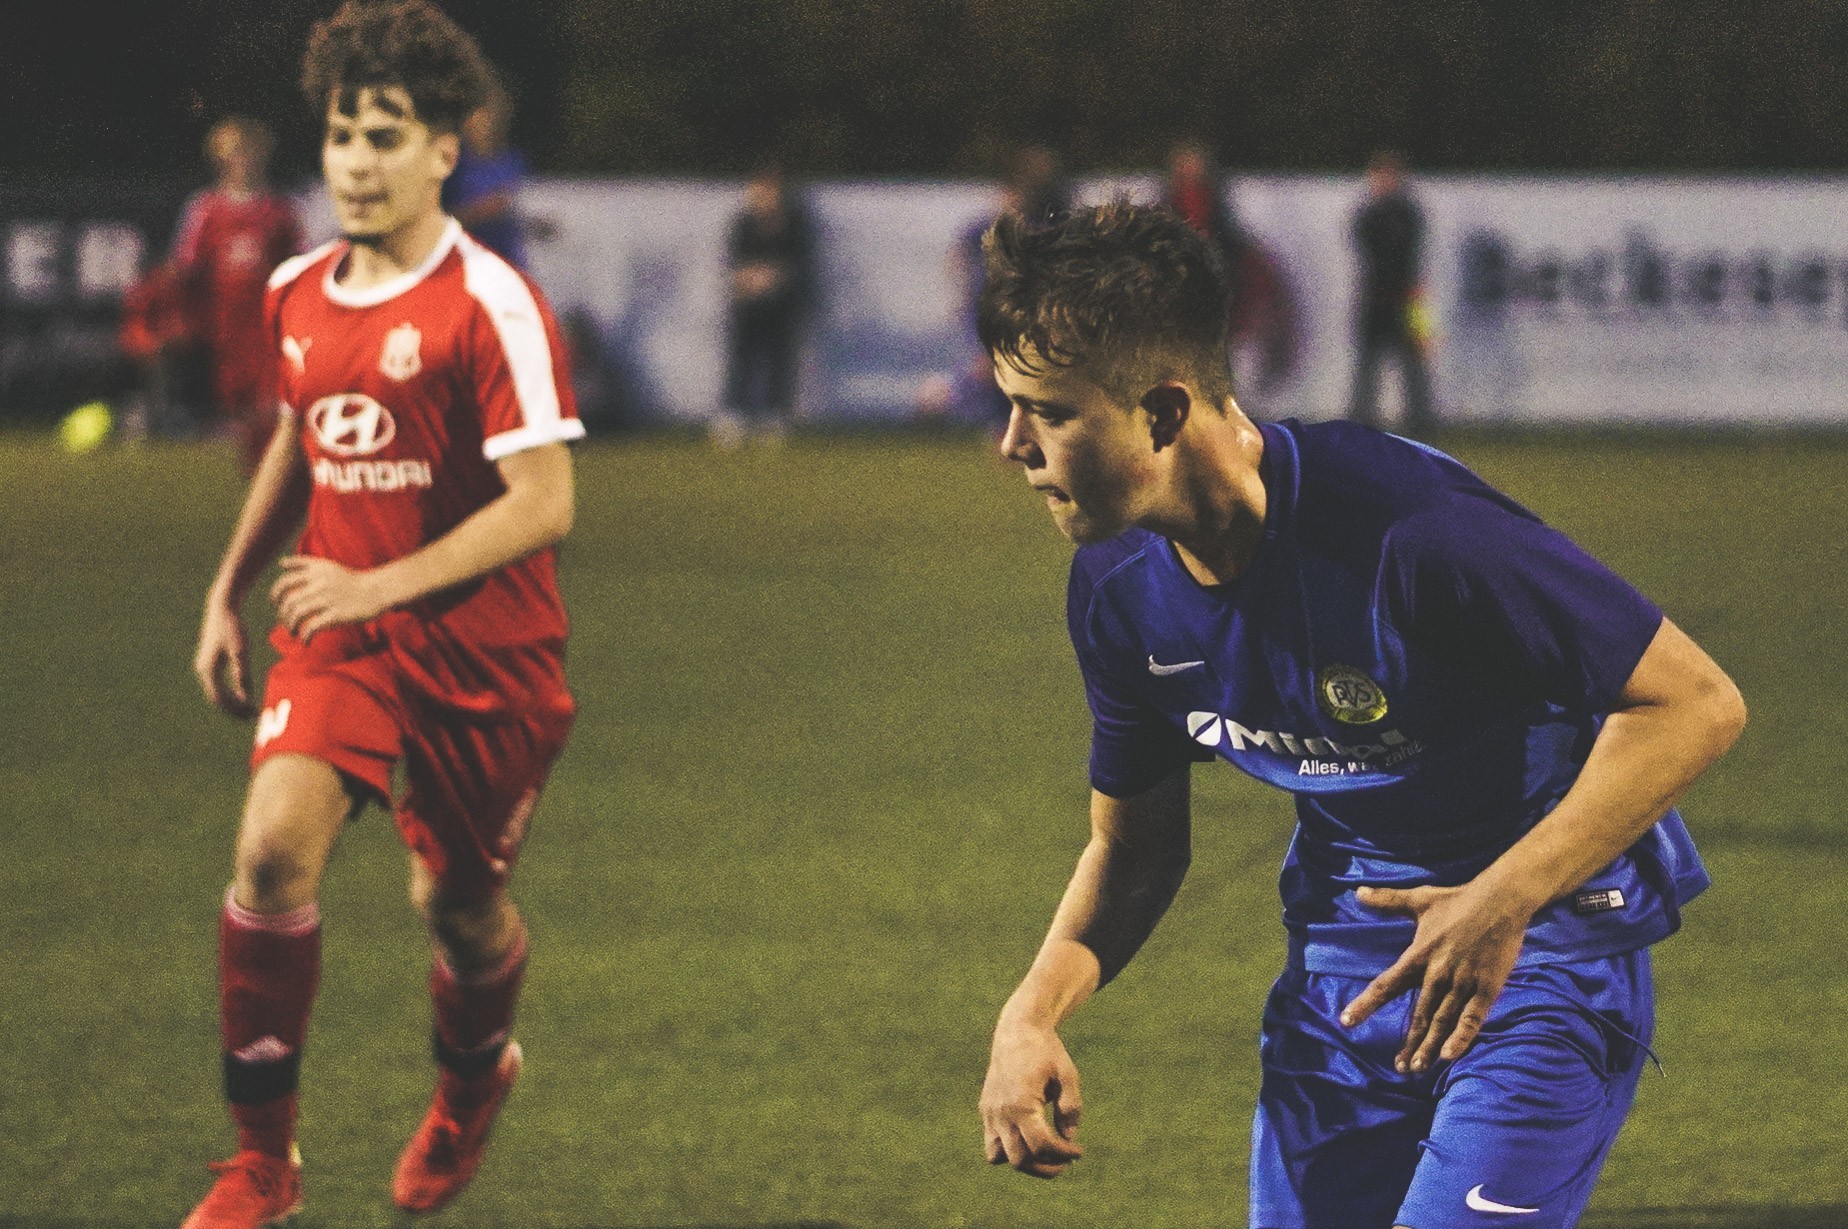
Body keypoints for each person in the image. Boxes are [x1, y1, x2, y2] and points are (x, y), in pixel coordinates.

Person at [975, 203, 1745, 1229]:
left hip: (1544, 960)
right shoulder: (1117, 588)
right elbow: (1134, 850)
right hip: (1343, 989)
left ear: (1162, 411)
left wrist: (1501, 895)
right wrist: (1029, 1013)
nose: (1010, 444)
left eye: (1048, 411)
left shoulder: (1412, 530)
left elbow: (1694, 700)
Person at [182, 1, 584, 1225]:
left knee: (456, 908)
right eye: (343, 137)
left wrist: (385, 583)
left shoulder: (492, 302)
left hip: (483, 648)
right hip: (341, 629)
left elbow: (545, 502)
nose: (357, 162)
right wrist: (227, 590)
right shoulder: (300, 290)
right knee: (269, 852)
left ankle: (472, 1084)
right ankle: (263, 1162)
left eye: (386, 137)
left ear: (444, 152)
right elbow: (304, 438)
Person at [171, 116, 305, 470]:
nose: (242, 160)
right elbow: (187, 266)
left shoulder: (279, 210)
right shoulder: (205, 209)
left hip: (267, 322)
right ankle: (255, 470)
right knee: (236, 401)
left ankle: (273, 471)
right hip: (224, 323)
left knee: (270, 401)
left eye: (248, 152)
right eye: (234, 153)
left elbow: (297, 265)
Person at [1161, 139, 1297, 404]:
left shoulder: (1215, 202)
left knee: (1220, 352)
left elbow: (1228, 243)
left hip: (1212, 287)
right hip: (1183, 290)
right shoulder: (1170, 201)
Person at [715, 159, 816, 446]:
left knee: (779, 360)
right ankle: (734, 415)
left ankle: (774, 417)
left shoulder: (793, 224)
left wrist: (773, 277)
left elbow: (798, 265)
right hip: (747, 304)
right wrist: (751, 278)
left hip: (781, 305)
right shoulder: (744, 223)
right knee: (741, 359)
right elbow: (733, 264)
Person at [1350, 149, 1434, 433]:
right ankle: (1359, 424)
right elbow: (1370, 251)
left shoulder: (1408, 213)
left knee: (1414, 368)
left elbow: (1405, 253)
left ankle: (1421, 424)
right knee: (1367, 368)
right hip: (1375, 299)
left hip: (1407, 299)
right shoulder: (1368, 214)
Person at [442, 73, 529, 270]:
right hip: (465, 261)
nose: (480, 124)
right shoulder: (454, 163)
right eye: (474, 117)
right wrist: (479, 211)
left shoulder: (511, 159)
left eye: (487, 117)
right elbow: (438, 217)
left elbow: (518, 209)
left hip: (506, 258)